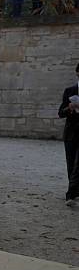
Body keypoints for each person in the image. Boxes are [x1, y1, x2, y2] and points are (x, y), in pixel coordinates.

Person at [58, 62, 79, 206]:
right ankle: (75, 191)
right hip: (71, 133)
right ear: (78, 73)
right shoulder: (70, 91)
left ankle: (70, 194)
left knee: (78, 165)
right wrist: (69, 108)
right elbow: (60, 113)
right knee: (71, 164)